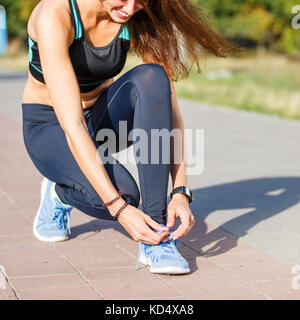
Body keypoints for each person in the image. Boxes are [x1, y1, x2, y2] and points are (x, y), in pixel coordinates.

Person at [21, 0, 240, 275]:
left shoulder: (138, 13)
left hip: (99, 120)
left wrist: (181, 192)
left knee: (152, 77)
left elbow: (170, 114)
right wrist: (120, 210)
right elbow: (73, 125)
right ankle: (60, 193)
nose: (131, 6)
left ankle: (157, 238)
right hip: (51, 125)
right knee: (123, 196)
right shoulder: (55, 14)